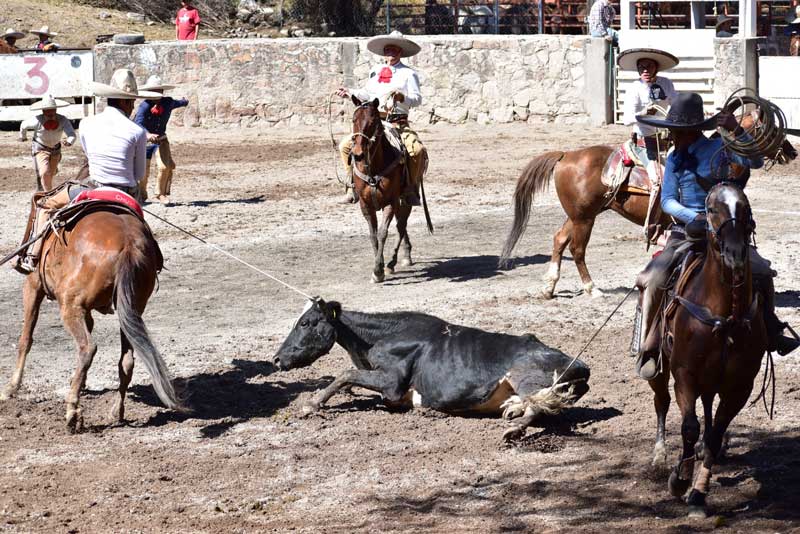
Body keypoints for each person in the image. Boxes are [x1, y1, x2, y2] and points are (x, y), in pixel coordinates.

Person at [632, 92, 800, 379]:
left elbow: (755, 162)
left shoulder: (721, 147)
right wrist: (695, 217)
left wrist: (735, 129)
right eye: (673, 131)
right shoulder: (673, 159)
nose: (673, 137)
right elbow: (668, 201)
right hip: (687, 232)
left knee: (761, 272)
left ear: (693, 130)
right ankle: (649, 343)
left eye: (678, 132)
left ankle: (771, 328)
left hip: (727, 230)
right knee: (652, 279)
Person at [14, 69, 161, 274]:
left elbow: (90, 157)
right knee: (142, 227)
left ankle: (32, 256)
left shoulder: (86, 124)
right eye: (132, 102)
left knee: (45, 204)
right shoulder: (137, 131)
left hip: (93, 186)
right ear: (126, 103)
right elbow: (138, 175)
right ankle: (154, 260)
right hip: (126, 191)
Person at [336, 30, 426, 206]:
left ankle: (410, 188)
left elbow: (417, 99)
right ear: (384, 52)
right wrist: (349, 93)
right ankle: (352, 186)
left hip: (397, 122)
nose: (390, 53)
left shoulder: (409, 74)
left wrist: (403, 98)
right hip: (374, 121)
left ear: (400, 52)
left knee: (417, 150)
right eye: (387, 50)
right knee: (345, 146)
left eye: (394, 50)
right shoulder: (375, 71)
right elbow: (367, 93)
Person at [619, 48, 679, 185]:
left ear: (656, 68)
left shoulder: (666, 83)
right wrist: (642, 114)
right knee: (659, 177)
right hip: (645, 143)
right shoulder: (634, 88)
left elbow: (676, 104)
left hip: (667, 141)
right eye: (641, 67)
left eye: (649, 66)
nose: (645, 71)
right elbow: (627, 119)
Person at [133, 76, 189, 205]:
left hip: (161, 140)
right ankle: (142, 195)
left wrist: (185, 101)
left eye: (158, 91)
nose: (156, 93)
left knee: (165, 167)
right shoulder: (144, 106)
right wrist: (147, 134)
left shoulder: (168, 102)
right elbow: (138, 123)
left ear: (162, 92)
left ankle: (161, 193)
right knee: (143, 171)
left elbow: (178, 103)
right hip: (145, 142)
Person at [18, 95, 77, 191]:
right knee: (44, 172)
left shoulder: (62, 120)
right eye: (47, 110)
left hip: (55, 149)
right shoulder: (37, 120)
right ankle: (47, 194)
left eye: (52, 109)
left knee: (51, 173)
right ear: (43, 110)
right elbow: (23, 125)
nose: (50, 112)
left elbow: (71, 134)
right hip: (40, 148)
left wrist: (69, 141)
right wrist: (23, 137)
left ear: (56, 109)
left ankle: (49, 176)